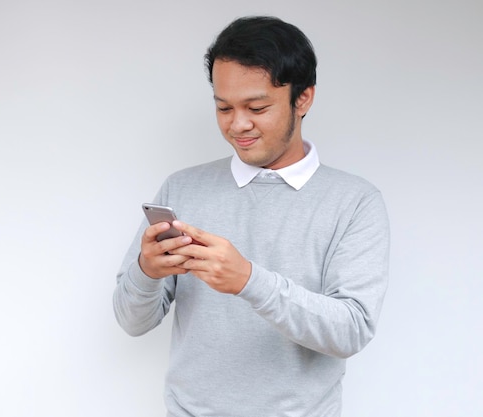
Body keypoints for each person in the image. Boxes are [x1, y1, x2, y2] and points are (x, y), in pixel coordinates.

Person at [113, 15, 389, 417]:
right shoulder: (183, 188)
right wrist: (147, 271)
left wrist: (248, 281)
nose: (238, 124)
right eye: (224, 107)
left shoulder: (354, 201)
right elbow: (131, 322)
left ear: (303, 98)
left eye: (257, 107)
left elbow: (350, 331)